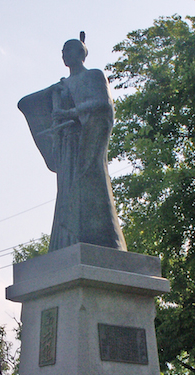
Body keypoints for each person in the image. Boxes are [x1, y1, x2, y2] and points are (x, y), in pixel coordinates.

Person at [19, 33, 127, 252]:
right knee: (67, 193)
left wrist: (73, 111)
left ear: (81, 53)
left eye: (68, 50)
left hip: (86, 141)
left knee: (92, 188)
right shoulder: (60, 86)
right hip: (67, 145)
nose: (64, 55)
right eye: (62, 52)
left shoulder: (94, 76)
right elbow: (35, 105)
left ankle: (102, 241)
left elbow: (103, 105)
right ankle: (66, 242)